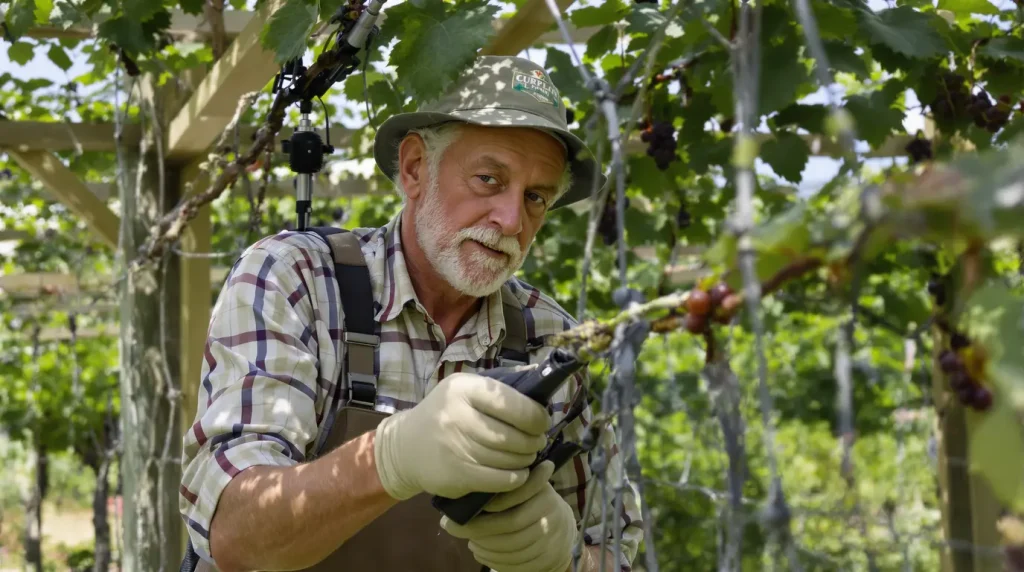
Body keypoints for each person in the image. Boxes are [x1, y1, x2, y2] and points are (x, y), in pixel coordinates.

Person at [178, 55, 644, 572]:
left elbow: (617, 551)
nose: (512, 220)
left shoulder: (553, 340)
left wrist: (564, 561)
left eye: (536, 197)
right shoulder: (297, 279)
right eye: (489, 179)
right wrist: (390, 457)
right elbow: (236, 530)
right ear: (415, 167)